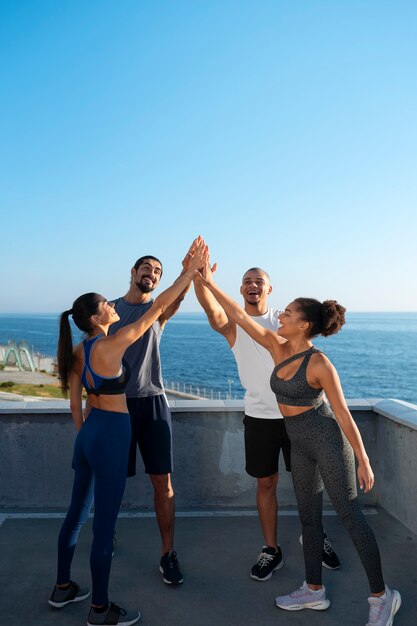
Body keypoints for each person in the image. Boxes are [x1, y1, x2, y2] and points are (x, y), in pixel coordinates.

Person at [199, 255, 401, 626]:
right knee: (308, 519)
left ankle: (382, 596)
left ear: (303, 324)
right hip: (299, 442)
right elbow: (241, 317)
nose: (281, 316)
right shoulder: (277, 347)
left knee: (350, 516)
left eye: (288, 313)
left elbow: (341, 413)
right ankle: (313, 590)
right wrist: (210, 282)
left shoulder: (320, 362)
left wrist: (363, 458)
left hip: (325, 439)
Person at [48, 239, 204, 626]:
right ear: (100, 316)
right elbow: (154, 313)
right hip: (113, 431)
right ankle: (100, 609)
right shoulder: (115, 341)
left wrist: (87, 439)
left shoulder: (81, 347)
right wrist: (190, 272)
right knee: (103, 530)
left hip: (89, 433)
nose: (112, 306)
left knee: (75, 515)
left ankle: (62, 587)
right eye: (106, 306)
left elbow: (74, 405)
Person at [194, 267, 340, 581]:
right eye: (247, 281)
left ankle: (315, 536)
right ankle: (271, 549)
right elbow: (211, 306)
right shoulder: (234, 325)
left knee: (310, 485)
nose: (252, 285)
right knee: (266, 483)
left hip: (299, 417)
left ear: (269, 289)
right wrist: (197, 278)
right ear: (241, 288)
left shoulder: (283, 322)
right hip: (260, 418)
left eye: (259, 280)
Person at [109, 243, 200, 585]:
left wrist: (188, 272)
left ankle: (167, 553)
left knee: (163, 483)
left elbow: (174, 299)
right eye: (146, 268)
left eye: (158, 272)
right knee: (113, 479)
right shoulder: (110, 311)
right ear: (133, 273)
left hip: (153, 404)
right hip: (116, 405)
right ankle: (107, 534)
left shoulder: (159, 311)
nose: (152, 274)